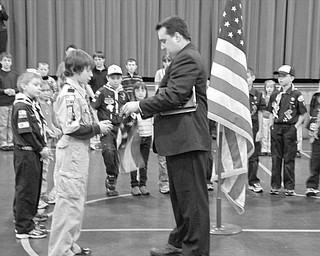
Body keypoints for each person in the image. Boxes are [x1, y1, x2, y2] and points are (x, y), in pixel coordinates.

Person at [123, 15, 211, 256]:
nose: (162, 46)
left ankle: (195, 251)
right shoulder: (184, 58)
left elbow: (174, 96)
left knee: (192, 201)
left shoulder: (188, 59)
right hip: (179, 140)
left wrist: (139, 105)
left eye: (164, 41)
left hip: (187, 140)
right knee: (182, 199)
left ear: (177, 37)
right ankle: (179, 242)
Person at [48, 49, 112, 256]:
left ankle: (70, 245)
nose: (91, 75)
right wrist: (97, 128)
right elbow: (71, 127)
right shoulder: (69, 95)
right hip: (72, 154)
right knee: (67, 204)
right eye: (87, 70)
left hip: (78, 153)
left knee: (75, 204)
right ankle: (60, 250)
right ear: (76, 70)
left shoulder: (79, 91)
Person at [12, 71, 51, 239]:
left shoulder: (30, 103)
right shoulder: (22, 106)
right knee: (26, 189)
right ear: (24, 86)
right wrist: (41, 148)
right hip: (27, 153)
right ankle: (24, 227)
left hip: (31, 152)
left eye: (40, 85)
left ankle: (25, 218)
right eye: (35, 85)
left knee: (30, 188)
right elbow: (26, 132)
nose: (39, 88)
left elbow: (35, 126)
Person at [91, 64, 131, 197]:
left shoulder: (124, 93)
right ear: (108, 78)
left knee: (116, 155)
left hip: (120, 128)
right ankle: (111, 175)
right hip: (107, 127)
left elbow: (128, 109)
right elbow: (94, 108)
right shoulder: (102, 91)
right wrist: (98, 125)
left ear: (121, 78)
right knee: (108, 151)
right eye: (112, 77)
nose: (115, 80)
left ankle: (112, 180)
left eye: (118, 77)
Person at [268, 65, 307, 196]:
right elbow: (271, 112)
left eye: (284, 76)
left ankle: (289, 187)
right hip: (277, 128)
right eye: (279, 76)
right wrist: (271, 127)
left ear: (292, 78)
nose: (280, 79)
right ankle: (275, 185)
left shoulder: (296, 94)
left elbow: (302, 114)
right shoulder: (275, 94)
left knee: (289, 159)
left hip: (289, 128)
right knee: (275, 158)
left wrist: (295, 128)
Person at [38, 80, 61, 206]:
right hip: (41, 143)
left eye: (49, 90)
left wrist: (55, 129)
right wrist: (48, 130)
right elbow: (40, 124)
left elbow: (50, 122)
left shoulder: (48, 104)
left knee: (46, 169)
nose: (47, 93)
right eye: (43, 90)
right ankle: (39, 196)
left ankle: (43, 194)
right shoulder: (37, 105)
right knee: (41, 170)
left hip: (48, 142)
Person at [130, 82, 152, 196]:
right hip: (135, 138)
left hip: (147, 136)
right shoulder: (131, 105)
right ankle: (134, 184)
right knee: (134, 161)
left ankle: (143, 184)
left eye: (143, 90)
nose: (140, 93)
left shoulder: (149, 105)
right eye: (137, 90)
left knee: (144, 161)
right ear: (134, 92)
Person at [154, 54, 172, 194]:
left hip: (174, 120)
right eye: (165, 61)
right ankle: (164, 182)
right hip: (162, 119)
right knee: (162, 157)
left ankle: (173, 182)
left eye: (169, 61)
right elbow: (157, 96)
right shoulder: (159, 74)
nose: (167, 63)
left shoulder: (179, 75)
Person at [247, 68, 266, 193]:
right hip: (241, 126)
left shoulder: (258, 94)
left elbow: (260, 113)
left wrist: (260, 131)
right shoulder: (238, 93)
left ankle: (253, 181)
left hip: (254, 126)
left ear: (253, 77)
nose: (245, 79)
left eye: (247, 76)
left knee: (254, 156)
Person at [0, 52, 19, 151]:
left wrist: (14, 91)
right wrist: (4, 91)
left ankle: (11, 141)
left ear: (11, 62)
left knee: (11, 123)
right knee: (3, 123)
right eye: (5, 60)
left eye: (9, 61)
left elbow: (19, 87)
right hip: (2, 102)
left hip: (12, 101)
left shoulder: (15, 74)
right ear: (1, 62)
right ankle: (3, 142)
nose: (7, 63)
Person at [305, 89, 320, 197]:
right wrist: (311, 132)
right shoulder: (316, 110)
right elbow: (312, 123)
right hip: (317, 139)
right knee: (315, 161)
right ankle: (312, 186)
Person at [261, 79, 277, 156]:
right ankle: (264, 149)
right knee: (264, 134)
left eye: (271, 87)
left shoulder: (276, 97)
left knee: (271, 134)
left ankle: (271, 149)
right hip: (264, 118)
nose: (269, 89)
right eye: (267, 87)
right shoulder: (263, 97)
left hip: (272, 118)